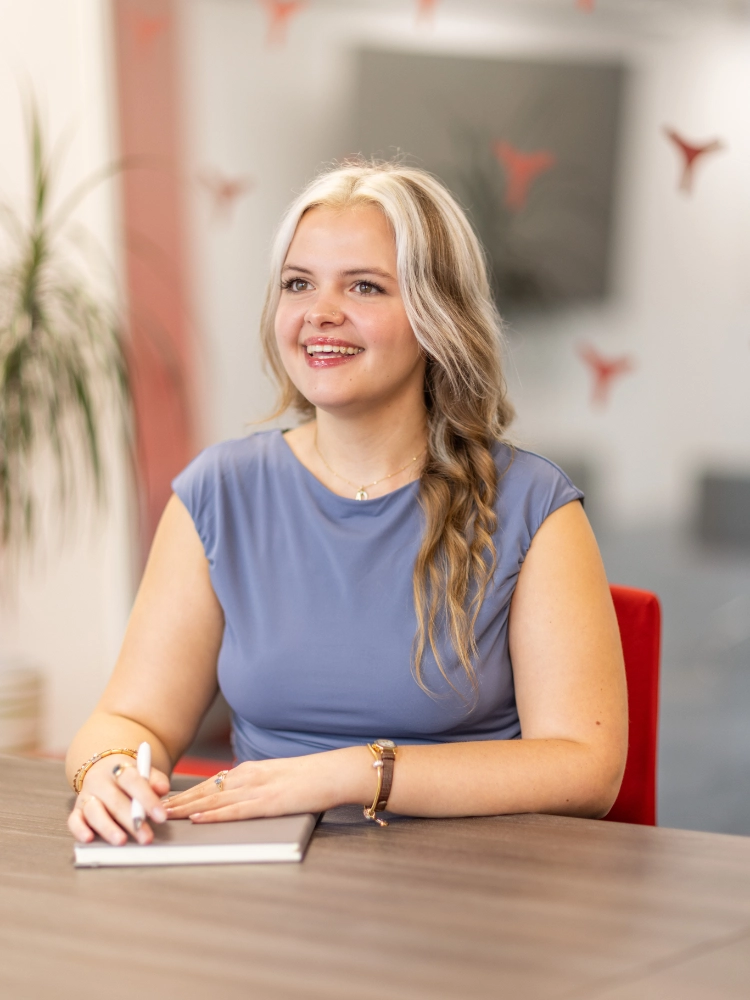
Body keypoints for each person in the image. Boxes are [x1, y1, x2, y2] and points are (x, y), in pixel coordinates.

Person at [66, 162, 627, 846]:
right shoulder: (219, 493)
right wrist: (107, 771)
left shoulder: (534, 506)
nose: (319, 313)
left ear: (435, 316)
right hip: (270, 877)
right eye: (298, 284)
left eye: (364, 286)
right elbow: (130, 719)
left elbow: (586, 768)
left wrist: (355, 773)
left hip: (474, 880)